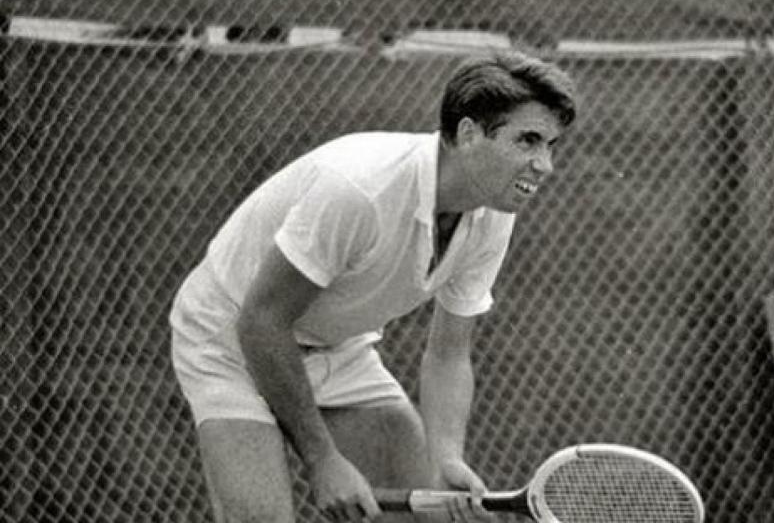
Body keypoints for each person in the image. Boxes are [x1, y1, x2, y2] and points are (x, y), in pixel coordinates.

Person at [168, 51, 577, 523]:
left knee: (420, 509)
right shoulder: (360, 189)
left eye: (551, 145)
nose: (544, 164)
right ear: (467, 134)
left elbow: (448, 352)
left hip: (336, 347)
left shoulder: (491, 214)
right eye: (528, 141)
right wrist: (323, 461)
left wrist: (446, 458)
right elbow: (262, 323)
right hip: (231, 335)